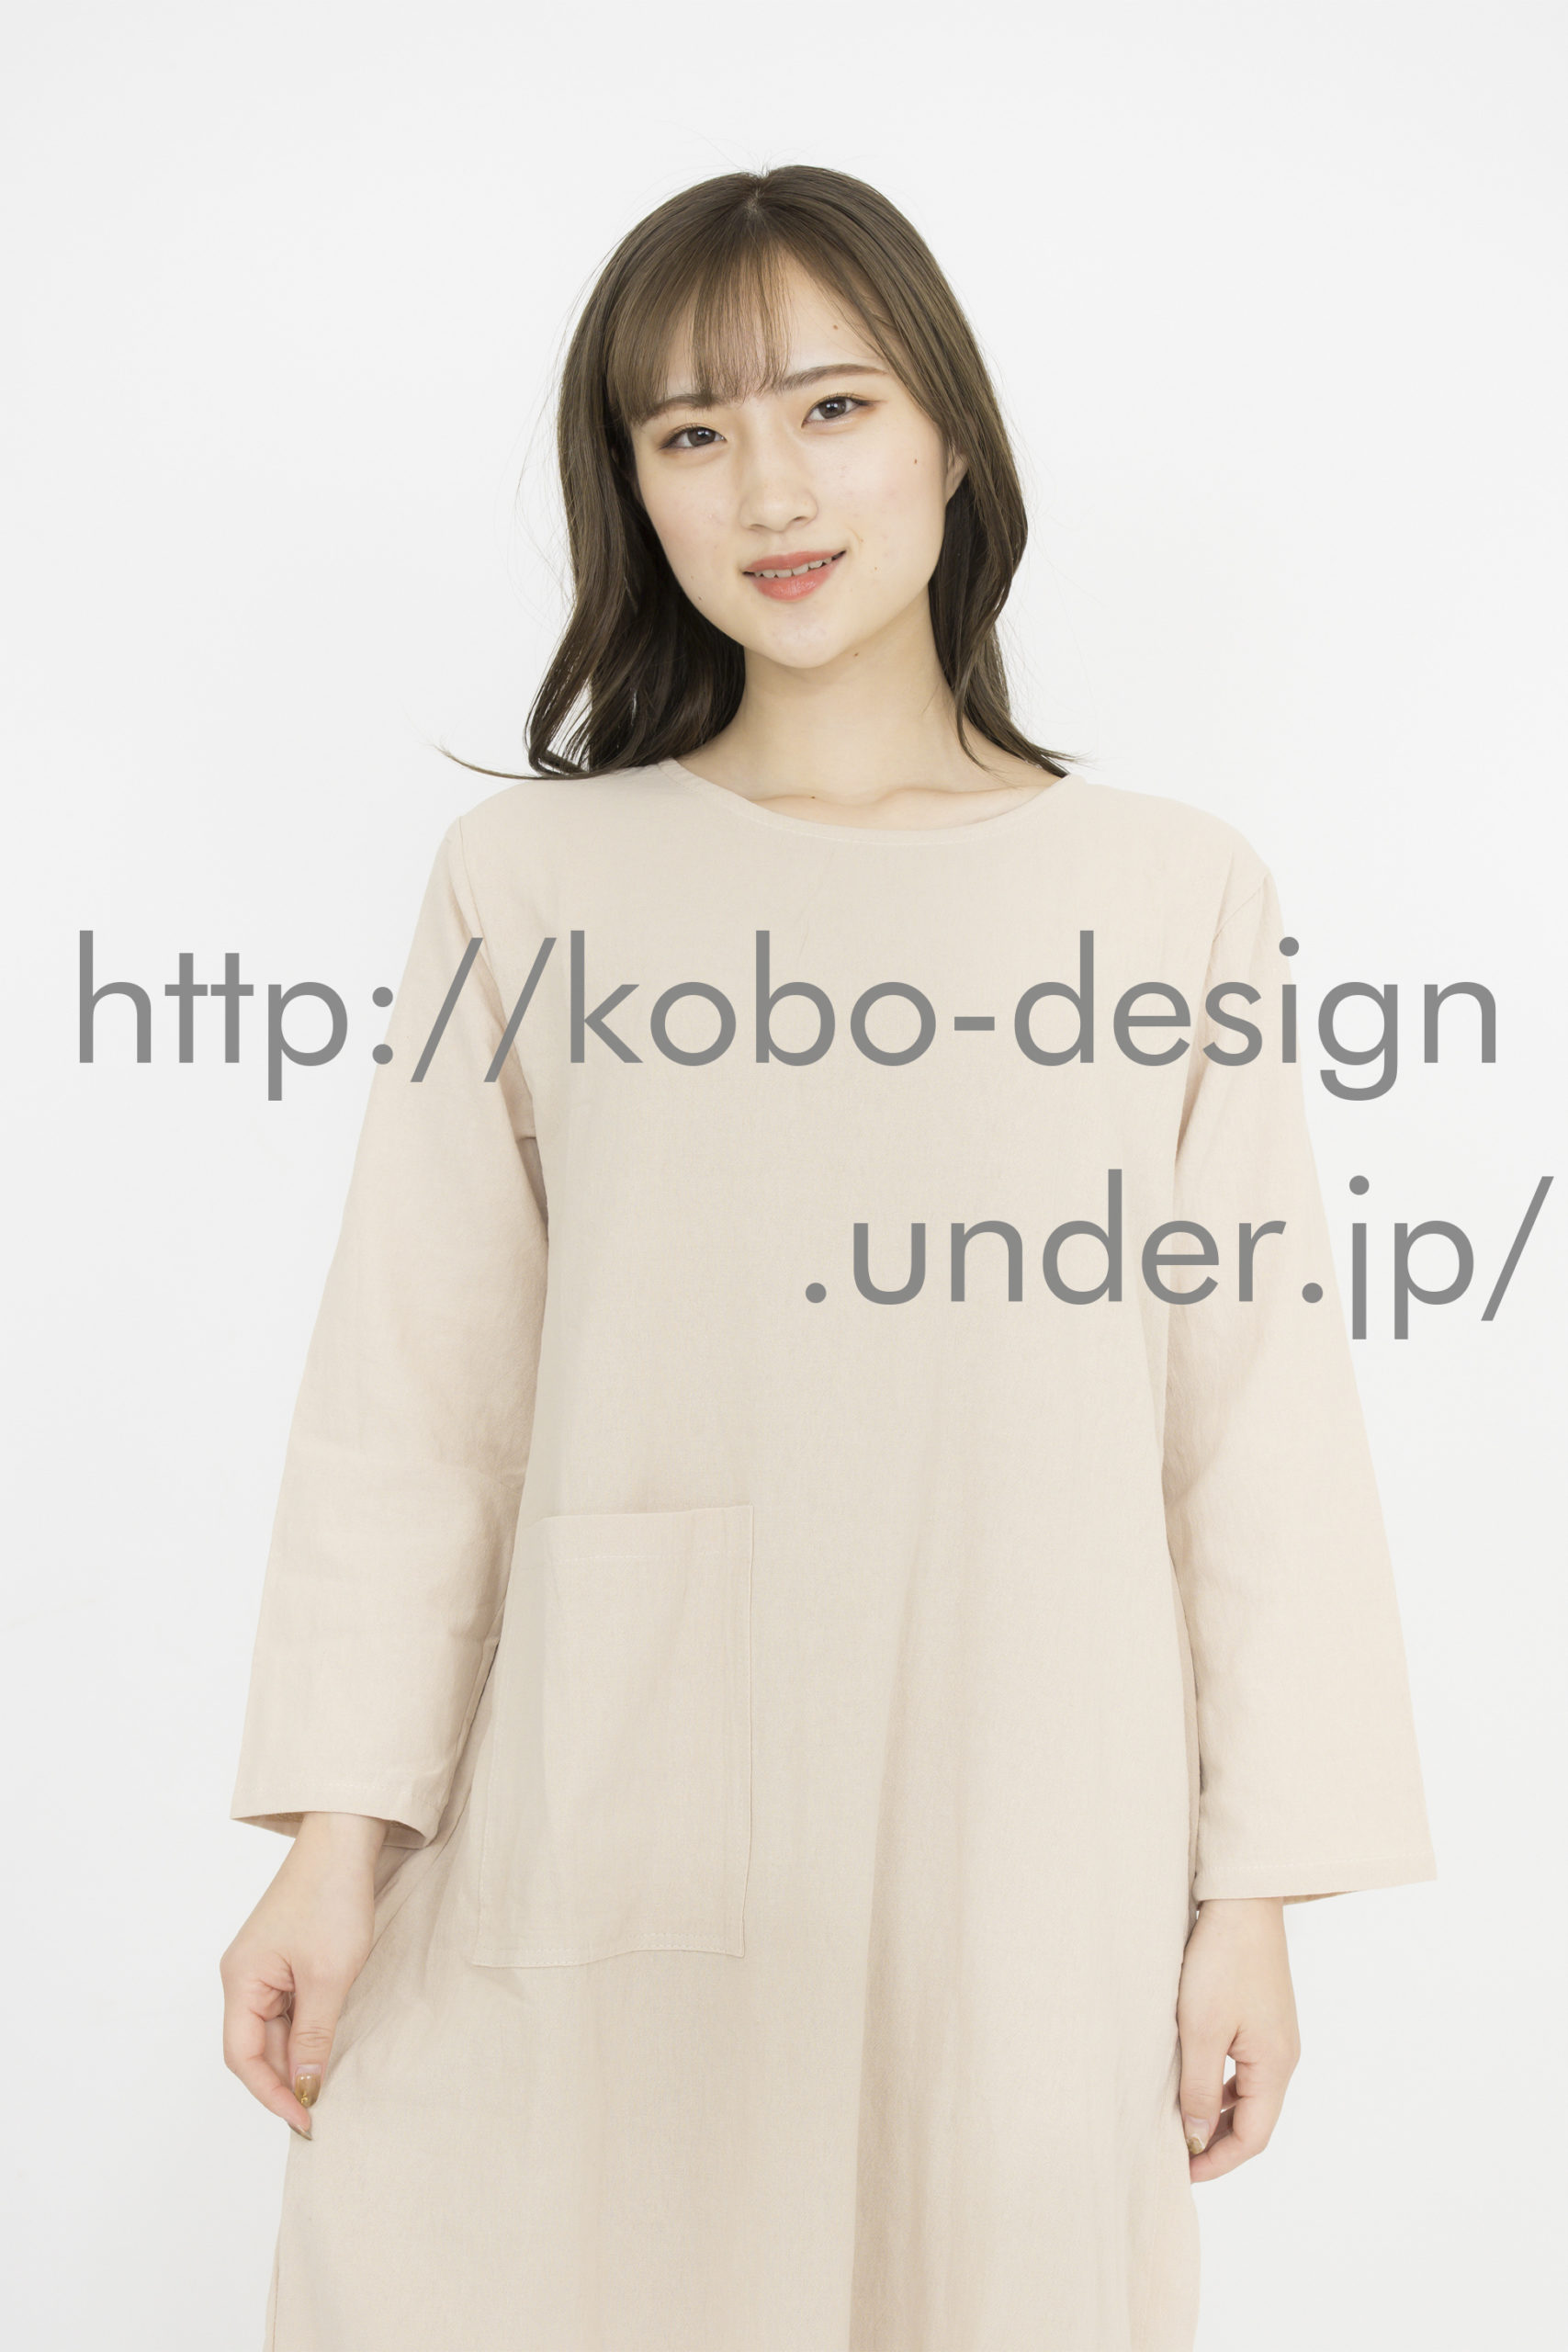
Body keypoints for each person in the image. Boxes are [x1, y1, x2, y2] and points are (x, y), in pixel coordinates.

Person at [220, 165, 1436, 2352]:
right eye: (688, 431)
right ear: (632, 490)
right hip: (619, 1810)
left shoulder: (1165, 895)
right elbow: (419, 1395)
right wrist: (332, 1834)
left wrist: (1247, 1896)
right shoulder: (529, 881)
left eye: (830, 406)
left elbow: (1246, 1418)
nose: (767, 486)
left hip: (1030, 1823)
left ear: (951, 438)